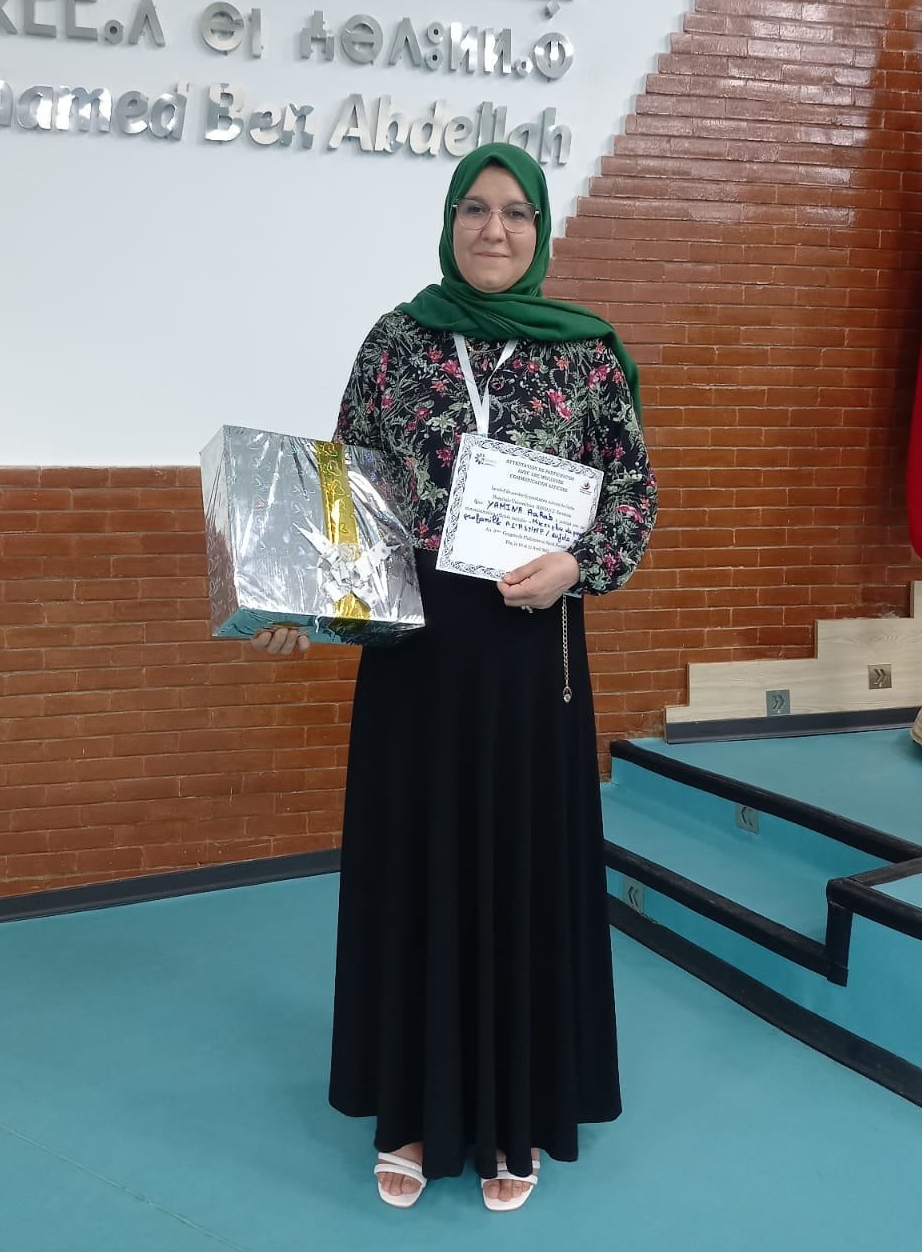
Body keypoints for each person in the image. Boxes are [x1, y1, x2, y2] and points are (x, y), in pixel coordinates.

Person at [253, 141, 656, 1211]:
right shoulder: (397, 341)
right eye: (475, 209)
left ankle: (512, 1120)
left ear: (540, 229)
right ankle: (411, 1112)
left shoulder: (587, 355)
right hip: (418, 659)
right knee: (417, 869)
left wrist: (577, 565)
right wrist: (300, 601)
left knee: (519, 872)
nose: (494, 229)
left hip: (531, 657)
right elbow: (348, 494)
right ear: (448, 222)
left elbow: (632, 498)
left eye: (515, 212)